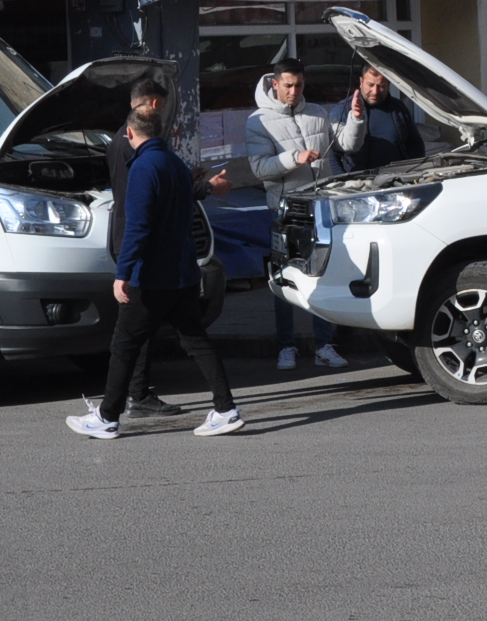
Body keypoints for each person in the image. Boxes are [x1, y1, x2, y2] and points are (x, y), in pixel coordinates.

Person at [68, 110, 243, 439]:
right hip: (184, 272)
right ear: (161, 131)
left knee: (124, 344)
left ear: (131, 134)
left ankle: (107, 417)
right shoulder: (175, 164)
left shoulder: (143, 168)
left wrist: (123, 273)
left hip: (152, 277)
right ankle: (225, 409)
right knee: (195, 340)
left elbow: (138, 226)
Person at [106, 76, 229, 419]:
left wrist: (193, 182)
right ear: (155, 107)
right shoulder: (140, 152)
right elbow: (142, 212)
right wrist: (126, 269)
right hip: (148, 251)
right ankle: (135, 397)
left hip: (150, 253)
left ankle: (123, 404)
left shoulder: (142, 152)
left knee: (136, 334)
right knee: (140, 334)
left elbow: (151, 201)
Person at [245, 57, 360, 370]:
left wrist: (357, 120)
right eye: (288, 85)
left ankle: (324, 344)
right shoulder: (259, 121)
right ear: (275, 84)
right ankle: (287, 346)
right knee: (285, 282)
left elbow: (347, 144)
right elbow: (259, 168)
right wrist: (295, 157)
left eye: (298, 85)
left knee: (321, 276)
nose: (294, 91)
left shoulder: (317, 114)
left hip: (320, 207)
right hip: (285, 211)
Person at [342, 65, 425, 173]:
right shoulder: (344, 109)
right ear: (361, 81)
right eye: (370, 85)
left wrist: (415, 172)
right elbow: (333, 153)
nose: (375, 91)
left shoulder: (398, 108)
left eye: (381, 86)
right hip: (360, 183)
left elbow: (416, 144)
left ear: (388, 85)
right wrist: (343, 180)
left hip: (398, 179)